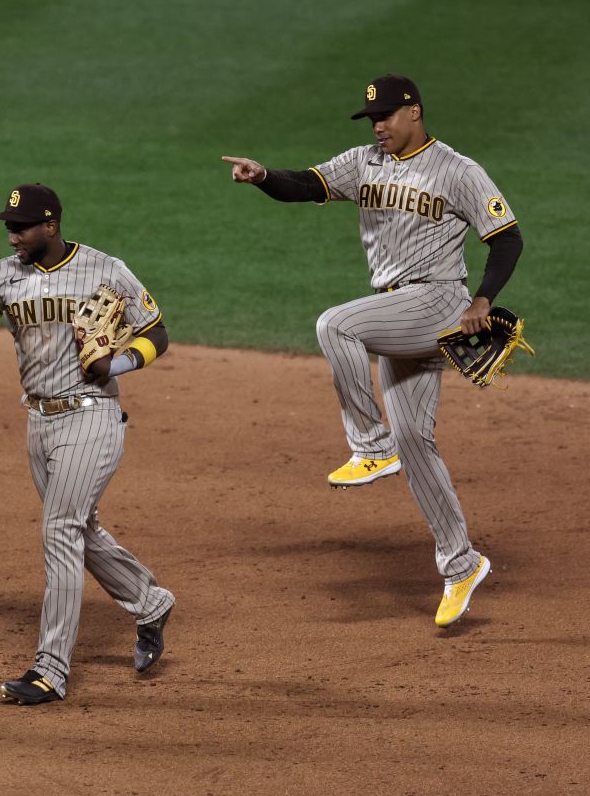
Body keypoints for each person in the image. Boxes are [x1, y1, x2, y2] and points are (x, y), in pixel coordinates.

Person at [223, 73, 523, 627]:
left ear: (416, 112)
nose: (379, 127)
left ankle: (369, 443)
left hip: (438, 302)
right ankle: (462, 564)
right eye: (372, 120)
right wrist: (263, 175)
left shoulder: (458, 170)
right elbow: (307, 184)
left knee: (336, 325)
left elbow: (506, 237)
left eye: (386, 116)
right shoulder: (366, 162)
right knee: (417, 441)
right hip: (398, 313)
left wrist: (483, 298)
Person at [0, 183, 176, 704]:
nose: (11, 237)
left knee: (59, 530)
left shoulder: (105, 269)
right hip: (39, 422)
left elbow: (157, 331)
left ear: (50, 225)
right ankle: (150, 602)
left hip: (92, 415)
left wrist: (114, 364)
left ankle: (50, 670)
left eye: (20, 227)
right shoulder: (1, 278)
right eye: (7, 226)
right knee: (79, 527)